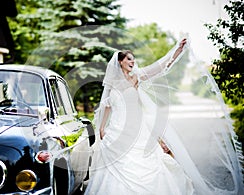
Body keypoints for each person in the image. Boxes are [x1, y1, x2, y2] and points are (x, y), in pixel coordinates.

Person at [84, 38, 244, 195]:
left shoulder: (136, 78)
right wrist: (103, 127)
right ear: (120, 62)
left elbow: (159, 67)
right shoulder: (112, 82)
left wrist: (176, 50)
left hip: (136, 130)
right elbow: (106, 106)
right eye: (129, 59)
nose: (133, 62)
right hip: (116, 131)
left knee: (147, 163)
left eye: (133, 59)